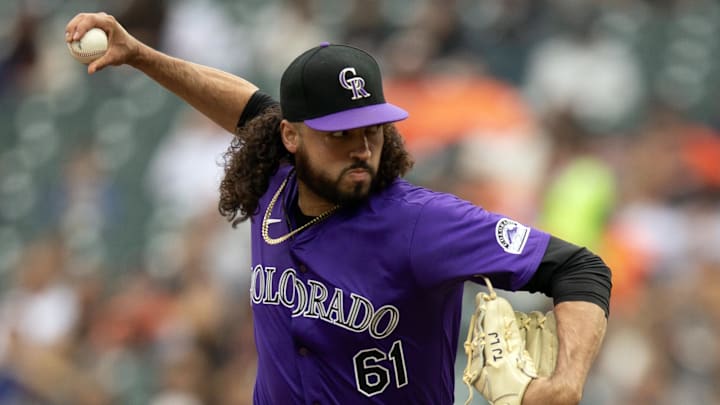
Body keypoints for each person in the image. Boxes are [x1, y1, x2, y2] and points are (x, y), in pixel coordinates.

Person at [65, 12, 612, 405]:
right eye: (339, 134)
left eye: (372, 130)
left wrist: (565, 381)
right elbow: (244, 105)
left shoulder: (420, 224)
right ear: (291, 137)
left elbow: (581, 268)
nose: (361, 148)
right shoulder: (275, 178)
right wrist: (139, 55)